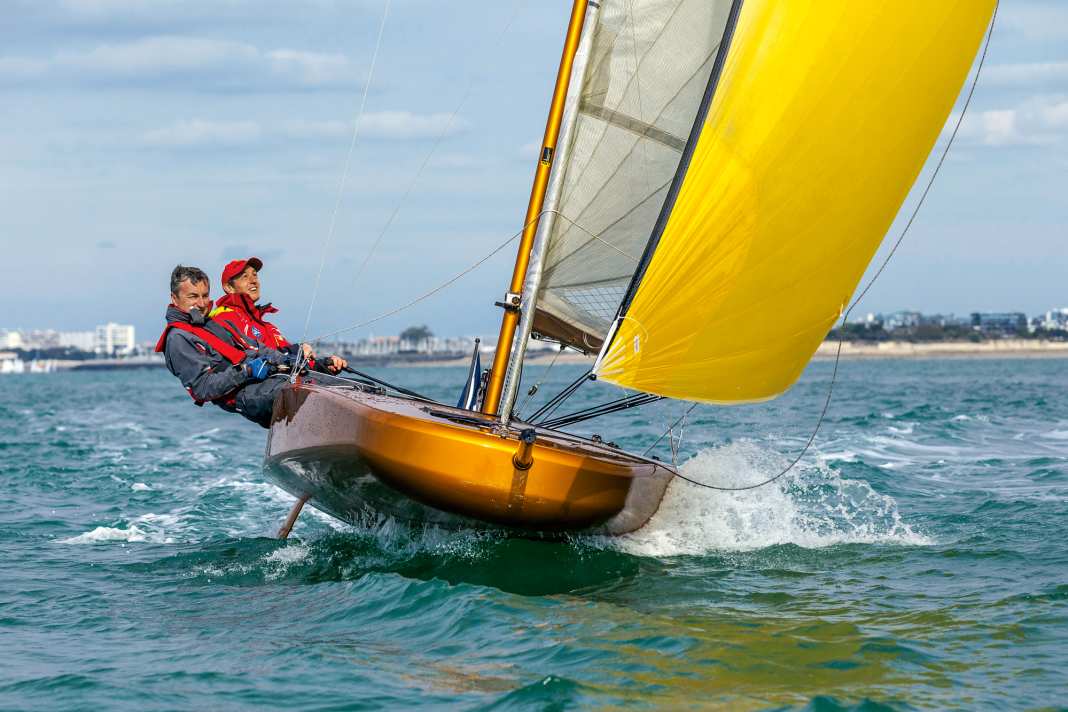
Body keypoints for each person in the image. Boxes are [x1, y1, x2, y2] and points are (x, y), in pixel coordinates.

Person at [156, 265, 297, 428]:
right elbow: (202, 389)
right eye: (193, 296)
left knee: (318, 380)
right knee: (295, 393)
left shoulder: (212, 324)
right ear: (174, 298)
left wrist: (296, 360)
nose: (201, 304)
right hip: (243, 394)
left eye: (205, 295)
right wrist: (247, 371)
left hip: (267, 380)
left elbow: (256, 349)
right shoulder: (178, 338)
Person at [210, 256, 347, 375]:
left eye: (255, 275)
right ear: (229, 287)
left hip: (279, 388)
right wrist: (297, 350)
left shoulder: (267, 327)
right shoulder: (223, 318)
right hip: (252, 394)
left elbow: (288, 359)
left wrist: (323, 366)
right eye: (245, 276)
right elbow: (255, 356)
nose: (253, 280)